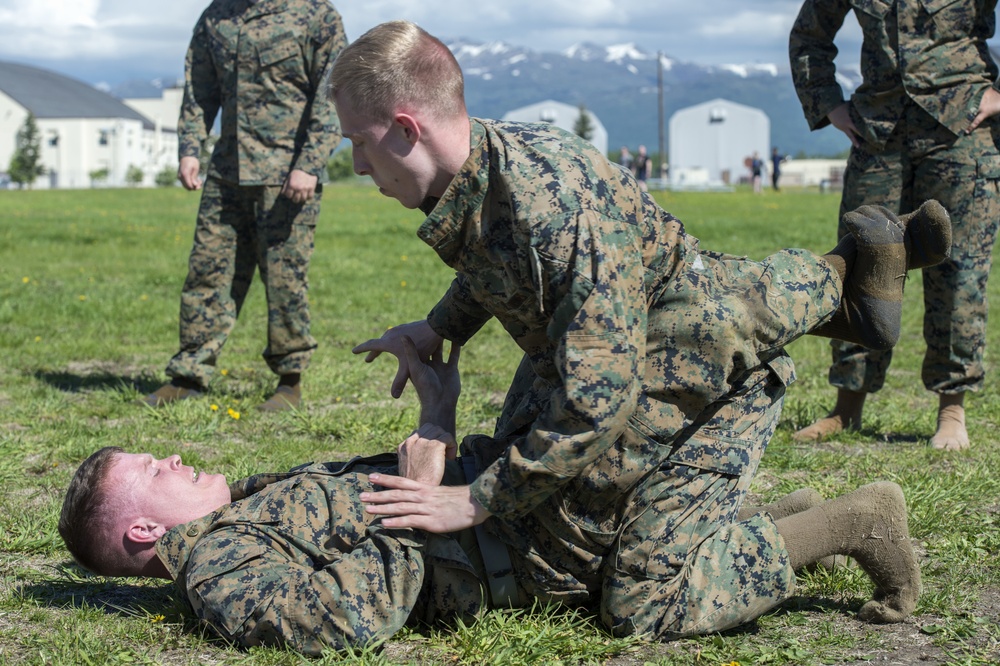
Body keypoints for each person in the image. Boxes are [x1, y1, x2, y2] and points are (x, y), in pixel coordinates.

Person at [331, 20, 942, 641]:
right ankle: (844, 284)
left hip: (704, 372)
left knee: (638, 602)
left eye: (360, 141)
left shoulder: (554, 210)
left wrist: (475, 499)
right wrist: (438, 325)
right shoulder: (486, 170)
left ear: (408, 128)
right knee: (559, 512)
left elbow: (598, 400)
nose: (355, 163)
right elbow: (503, 262)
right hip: (639, 347)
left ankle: (857, 520)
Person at [59, 337, 922, 654]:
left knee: (645, 582)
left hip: (507, 498)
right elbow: (338, 624)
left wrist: (436, 419)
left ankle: (807, 518)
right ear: (142, 529)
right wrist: (416, 499)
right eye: (155, 469)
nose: (174, 456)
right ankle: (831, 520)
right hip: (513, 545)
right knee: (645, 598)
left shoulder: (246, 507)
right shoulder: (218, 563)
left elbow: (386, 487)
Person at [789, 0, 1000, 449]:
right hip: (877, 132)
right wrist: (828, 104)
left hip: (960, 130)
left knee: (959, 270)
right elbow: (810, 34)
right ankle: (847, 406)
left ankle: (952, 409)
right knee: (863, 257)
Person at [141, 0, 347, 412]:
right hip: (227, 174)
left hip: (287, 178)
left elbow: (333, 94)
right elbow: (200, 89)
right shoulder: (217, 16)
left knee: (284, 281)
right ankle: (189, 375)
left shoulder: (316, 15)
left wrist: (309, 163)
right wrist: (189, 148)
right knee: (206, 272)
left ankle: (290, 381)